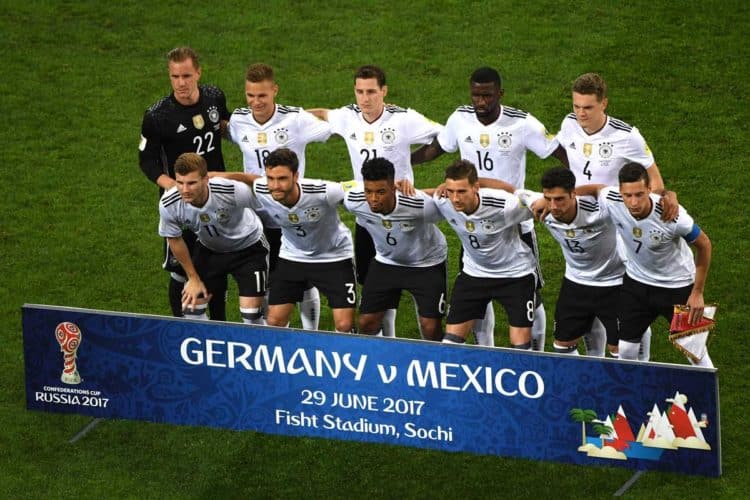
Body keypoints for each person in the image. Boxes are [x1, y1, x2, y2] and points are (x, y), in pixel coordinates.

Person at [411, 66, 565, 349]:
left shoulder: (522, 124)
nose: (480, 102)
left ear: (500, 94)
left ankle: (539, 353)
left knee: (533, 293)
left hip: (513, 219)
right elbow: (439, 147)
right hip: (470, 216)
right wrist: (404, 162)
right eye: (476, 96)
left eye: (487, 96)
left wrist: (581, 186)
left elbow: (558, 152)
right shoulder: (460, 119)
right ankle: (487, 351)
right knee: (476, 286)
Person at [309, 65, 442, 336]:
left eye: (371, 91)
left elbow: (444, 136)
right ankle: (387, 342)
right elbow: (322, 115)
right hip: (367, 215)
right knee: (375, 287)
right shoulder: (347, 118)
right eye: (359, 91)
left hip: (403, 212)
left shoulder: (404, 120)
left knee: (414, 281)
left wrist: (413, 159)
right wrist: (285, 118)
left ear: (384, 91)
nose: (365, 98)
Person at [554, 72, 679, 357]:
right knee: (585, 287)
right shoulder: (569, 124)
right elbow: (569, 155)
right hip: (582, 220)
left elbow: (655, 181)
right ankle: (597, 361)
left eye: (588, 107)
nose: (581, 113)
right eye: (576, 106)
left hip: (616, 223)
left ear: (604, 104)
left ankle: (638, 360)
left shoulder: (626, 136)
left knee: (622, 296)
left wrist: (662, 197)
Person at [577, 163, 713, 367]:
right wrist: (567, 194)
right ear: (620, 191)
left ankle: (709, 399)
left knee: (696, 354)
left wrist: (697, 292)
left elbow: (704, 245)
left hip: (678, 287)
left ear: (650, 190)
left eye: (639, 194)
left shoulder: (672, 216)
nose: (633, 202)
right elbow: (596, 189)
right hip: (637, 285)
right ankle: (629, 397)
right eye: (627, 195)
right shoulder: (612, 199)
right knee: (626, 351)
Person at [228, 63, 332, 330]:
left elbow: (336, 124)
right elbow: (225, 131)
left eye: (262, 95)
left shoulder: (296, 120)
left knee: (305, 277)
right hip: (258, 216)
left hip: (294, 212)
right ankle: (270, 336)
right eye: (250, 95)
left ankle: (312, 335)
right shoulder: (239, 120)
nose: (256, 102)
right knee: (266, 279)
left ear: (275, 90)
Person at [215, 148, 357, 333]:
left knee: (344, 325)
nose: (275, 185)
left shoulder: (322, 191)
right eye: (270, 178)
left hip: (333, 256)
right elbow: (247, 178)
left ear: (296, 176)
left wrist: (391, 185)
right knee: (274, 321)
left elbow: (355, 186)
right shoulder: (263, 188)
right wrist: (213, 175)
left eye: (282, 179)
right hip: (293, 256)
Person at [139, 46, 230, 320]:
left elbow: (225, 127)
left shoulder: (214, 97)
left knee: (216, 263)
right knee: (181, 270)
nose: (181, 83)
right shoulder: (157, 116)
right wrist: (174, 187)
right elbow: (147, 160)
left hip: (215, 199)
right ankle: (181, 326)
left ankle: (219, 324)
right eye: (175, 76)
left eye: (186, 75)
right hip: (183, 203)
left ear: (198, 73)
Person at [433, 160, 537, 348]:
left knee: (521, 348)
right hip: (475, 274)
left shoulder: (503, 205)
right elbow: (421, 196)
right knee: (449, 344)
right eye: (451, 191)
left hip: (514, 275)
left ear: (476, 188)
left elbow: (533, 199)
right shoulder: (443, 201)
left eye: (462, 191)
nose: (455, 198)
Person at [342, 158, 447, 341]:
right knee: (367, 322)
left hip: (426, 263)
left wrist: (439, 189)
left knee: (430, 327)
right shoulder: (354, 200)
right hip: (386, 262)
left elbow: (448, 203)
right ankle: (379, 359)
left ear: (393, 188)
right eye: (369, 191)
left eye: (381, 192)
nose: (373, 199)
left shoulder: (417, 204)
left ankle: (434, 362)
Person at [158, 153, 268, 324]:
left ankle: (260, 346)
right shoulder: (170, 203)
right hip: (210, 249)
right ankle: (210, 346)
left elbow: (266, 191)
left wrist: (234, 175)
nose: (185, 190)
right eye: (180, 182)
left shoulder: (230, 190)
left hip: (248, 248)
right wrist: (193, 278)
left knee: (251, 314)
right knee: (191, 307)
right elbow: (174, 238)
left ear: (206, 179)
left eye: (192, 183)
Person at [528, 167, 625, 356]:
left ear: (573, 194)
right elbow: (514, 191)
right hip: (575, 283)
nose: (554, 206)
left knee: (619, 351)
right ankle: (587, 381)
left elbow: (602, 190)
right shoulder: (544, 211)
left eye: (560, 199)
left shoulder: (600, 211)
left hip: (614, 283)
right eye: (549, 199)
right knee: (562, 347)